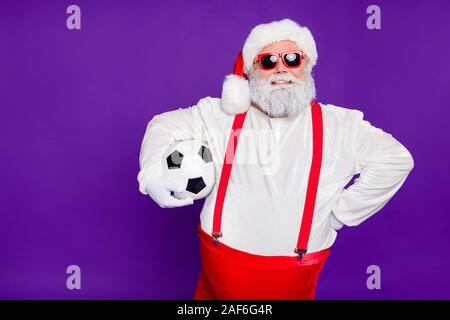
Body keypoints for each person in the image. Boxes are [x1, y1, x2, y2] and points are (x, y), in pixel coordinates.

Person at [137, 18, 414, 299]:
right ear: (251, 71)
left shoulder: (340, 125)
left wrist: (341, 214)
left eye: (292, 58)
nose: (281, 68)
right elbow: (162, 126)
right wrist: (151, 174)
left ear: (306, 65)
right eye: (267, 60)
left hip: (293, 279)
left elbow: (395, 159)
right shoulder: (219, 114)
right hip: (217, 270)